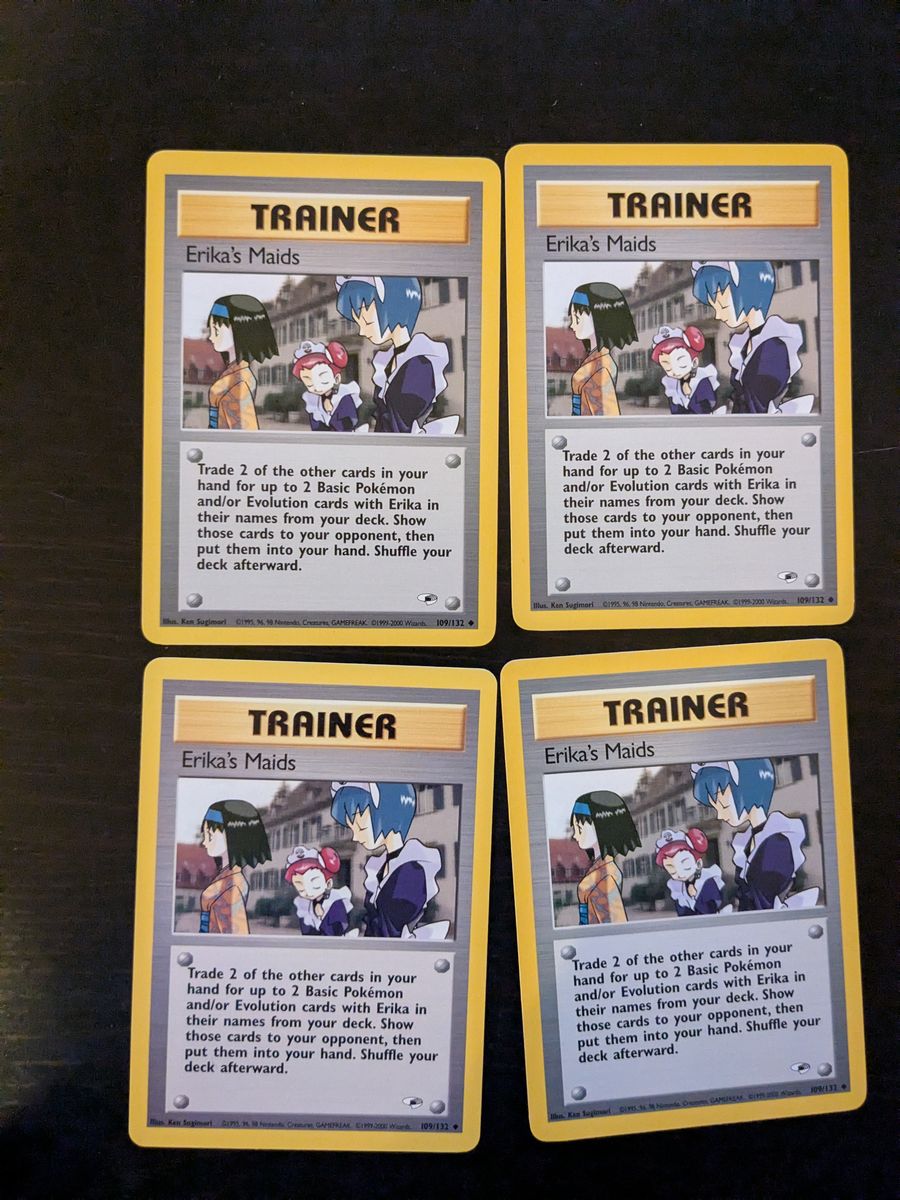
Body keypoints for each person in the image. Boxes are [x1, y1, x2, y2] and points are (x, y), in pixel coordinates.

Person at [334, 275, 456, 434]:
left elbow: (401, 428)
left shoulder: (419, 366)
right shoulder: (389, 362)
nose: (362, 331)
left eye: (368, 323)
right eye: (359, 324)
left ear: (395, 308)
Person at [691, 759, 816, 910]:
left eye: (723, 805)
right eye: (716, 807)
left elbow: (764, 905)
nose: (720, 815)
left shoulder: (776, 844)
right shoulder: (749, 842)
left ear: (749, 790)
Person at [691, 261, 813, 414]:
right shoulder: (746, 344)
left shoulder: (773, 348)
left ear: (749, 293)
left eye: (723, 306)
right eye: (715, 307)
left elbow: (758, 408)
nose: (718, 315)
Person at [330, 781, 447, 938]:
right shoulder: (381, 867)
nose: (356, 837)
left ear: (389, 816)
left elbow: (390, 932)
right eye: (353, 829)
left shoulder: (411, 872)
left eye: (361, 828)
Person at [205, 294, 278, 429]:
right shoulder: (234, 374)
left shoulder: (239, 383)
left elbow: (246, 433)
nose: (211, 337)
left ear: (240, 331)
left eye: (216, 330)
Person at [198, 799, 272, 933]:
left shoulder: (232, 886)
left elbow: (236, 936)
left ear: (233, 836)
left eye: (210, 835)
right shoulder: (227, 878)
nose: (204, 842)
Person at [569, 790, 641, 924]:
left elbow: (616, 926)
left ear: (601, 827)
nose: (575, 835)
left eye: (579, 828)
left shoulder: (605, 877)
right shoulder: (602, 869)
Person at [566, 282, 637, 416]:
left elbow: (607, 418)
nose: (572, 325)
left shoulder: (601, 368)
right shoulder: (596, 360)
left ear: (600, 319)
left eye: (577, 318)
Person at [291, 339, 362, 432]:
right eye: (308, 379)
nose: (316, 385)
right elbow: (316, 428)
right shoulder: (313, 402)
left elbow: (346, 426)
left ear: (336, 378)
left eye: (322, 376)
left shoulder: (343, 398)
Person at [650, 324, 723, 414]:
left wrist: (688, 393)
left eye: (680, 361)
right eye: (666, 365)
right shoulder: (672, 385)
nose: (674, 369)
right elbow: (676, 412)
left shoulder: (702, 381)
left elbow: (705, 410)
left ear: (694, 362)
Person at [655, 827, 725, 915]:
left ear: (698, 863)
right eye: (671, 867)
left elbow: (710, 910)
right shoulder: (678, 888)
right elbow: (682, 913)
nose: (679, 872)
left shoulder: (707, 882)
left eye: (685, 863)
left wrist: (694, 896)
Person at [284, 845, 351, 935]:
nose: (307, 889)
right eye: (299, 884)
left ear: (328, 884)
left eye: (313, 881)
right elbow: (306, 933)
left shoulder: (336, 903)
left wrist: (321, 916)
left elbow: (336, 932)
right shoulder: (304, 905)